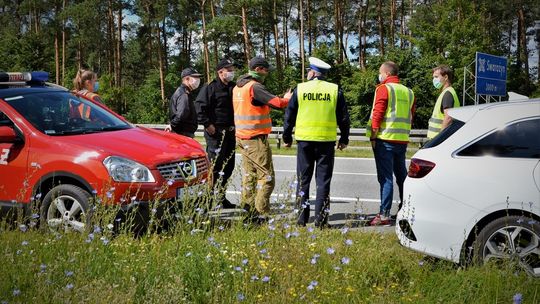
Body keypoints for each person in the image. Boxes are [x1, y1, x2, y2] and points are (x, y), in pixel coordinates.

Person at [283, 57, 350, 228]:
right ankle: (321, 221)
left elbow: (289, 116)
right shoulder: (335, 90)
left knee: (303, 180)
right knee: (323, 182)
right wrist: (344, 138)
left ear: (312, 72)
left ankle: (301, 219)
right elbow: (344, 118)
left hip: (304, 141)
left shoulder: (301, 89)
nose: (307, 73)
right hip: (325, 142)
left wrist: (287, 137)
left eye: (308, 71)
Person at [233, 56, 292, 223]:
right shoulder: (255, 87)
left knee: (249, 176)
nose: (267, 73)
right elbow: (278, 103)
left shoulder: (238, 87)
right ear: (258, 69)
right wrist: (287, 98)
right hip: (255, 139)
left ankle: (248, 210)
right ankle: (260, 214)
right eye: (266, 70)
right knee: (267, 178)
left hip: (242, 137)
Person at [366, 61, 415, 226]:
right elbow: (411, 116)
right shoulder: (409, 92)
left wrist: (373, 136)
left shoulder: (384, 89)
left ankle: (384, 214)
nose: (379, 75)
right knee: (402, 177)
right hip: (401, 140)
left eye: (380, 72)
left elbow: (378, 113)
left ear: (386, 74)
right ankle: (405, 209)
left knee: (386, 178)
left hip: (385, 139)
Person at [195, 58, 237, 209]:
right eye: (229, 69)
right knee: (215, 167)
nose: (232, 72)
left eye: (232, 69)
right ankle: (207, 200)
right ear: (221, 72)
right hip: (216, 133)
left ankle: (221, 197)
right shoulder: (210, 88)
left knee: (229, 166)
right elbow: (199, 107)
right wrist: (207, 124)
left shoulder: (233, 87)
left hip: (231, 132)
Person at [427, 65, 460, 140]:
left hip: (439, 140)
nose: (434, 80)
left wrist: (439, 138)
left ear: (445, 77)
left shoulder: (447, 94)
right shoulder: (447, 92)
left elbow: (448, 117)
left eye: (436, 77)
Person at [168, 67, 202, 138]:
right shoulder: (184, 94)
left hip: (182, 132)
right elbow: (182, 113)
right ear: (187, 79)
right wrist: (172, 125)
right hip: (183, 134)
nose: (198, 80)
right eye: (195, 77)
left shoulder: (182, 92)